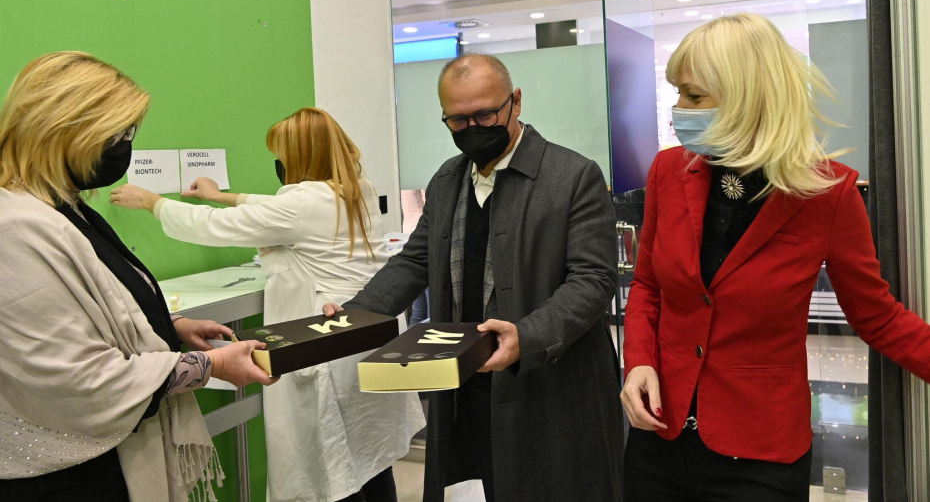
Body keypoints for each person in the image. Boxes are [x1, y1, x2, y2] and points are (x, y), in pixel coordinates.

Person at [621, 13, 930, 501]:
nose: (678, 110)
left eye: (693, 96)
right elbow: (648, 286)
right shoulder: (668, 171)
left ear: (747, 97)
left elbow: (877, 316)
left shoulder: (827, 194)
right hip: (660, 436)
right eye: (678, 94)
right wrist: (638, 361)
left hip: (760, 454)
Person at [323, 54, 623, 501]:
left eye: (485, 114)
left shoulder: (573, 176)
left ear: (515, 101)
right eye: (458, 120)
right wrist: (357, 314)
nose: (473, 129)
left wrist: (527, 336)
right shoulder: (447, 180)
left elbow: (593, 280)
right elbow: (415, 262)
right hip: (474, 382)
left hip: (552, 385)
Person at [111, 107, 426, 502]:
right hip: (361, 335)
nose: (279, 162)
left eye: (281, 155)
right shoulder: (355, 188)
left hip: (323, 343)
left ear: (300, 157)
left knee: (334, 468)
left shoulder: (302, 204)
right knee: (369, 457)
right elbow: (272, 209)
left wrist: (152, 202)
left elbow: (215, 225)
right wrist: (220, 195)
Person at [0, 51, 274, 502]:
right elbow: (78, 377)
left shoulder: (63, 208)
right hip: (68, 475)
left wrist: (169, 327)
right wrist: (213, 366)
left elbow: (99, 301)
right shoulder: (16, 227)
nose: (124, 146)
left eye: (130, 133)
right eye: (117, 133)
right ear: (63, 128)